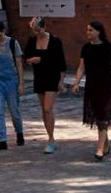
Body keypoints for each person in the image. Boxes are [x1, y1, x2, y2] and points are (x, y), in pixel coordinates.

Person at [68, 20, 111, 161]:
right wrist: (76, 83)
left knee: (104, 115)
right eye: (87, 30)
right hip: (92, 86)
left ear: (98, 32)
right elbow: (81, 67)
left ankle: (99, 149)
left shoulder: (108, 48)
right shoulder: (86, 48)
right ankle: (105, 143)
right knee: (98, 116)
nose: (88, 32)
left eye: (91, 30)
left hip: (106, 87)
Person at [23, 15, 66, 154]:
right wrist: (30, 60)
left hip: (52, 76)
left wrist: (61, 81)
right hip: (39, 76)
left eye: (38, 30)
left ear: (44, 27)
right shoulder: (32, 41)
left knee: (48, 108)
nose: (36, 33)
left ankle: (51, 139)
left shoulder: (55, 41)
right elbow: (26, 57)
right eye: (34, 30)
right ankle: (50, 136)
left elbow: (61, 63)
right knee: (43, 109)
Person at [0, 20, 25, 151]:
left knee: (14, 110)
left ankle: (19, 133)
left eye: (0, 35)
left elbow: (19, 64)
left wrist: (21, 83)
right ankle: (2, 140)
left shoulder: (13, 43)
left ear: (4, 31)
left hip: (11, 80)